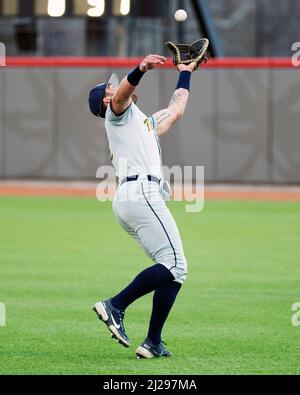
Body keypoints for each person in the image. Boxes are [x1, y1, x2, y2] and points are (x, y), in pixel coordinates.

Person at [88, 54, 196, 359]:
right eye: (110, 89)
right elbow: (120, 96)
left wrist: (185, 72)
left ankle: (152, 341)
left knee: (172, 270)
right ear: (106, 101)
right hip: (140, 192)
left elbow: (176, 110)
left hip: (132, 198)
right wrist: (140, 69)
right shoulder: (117, 114)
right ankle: (115, 305)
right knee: (176, 263)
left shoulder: (143, 123)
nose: (116, 89)